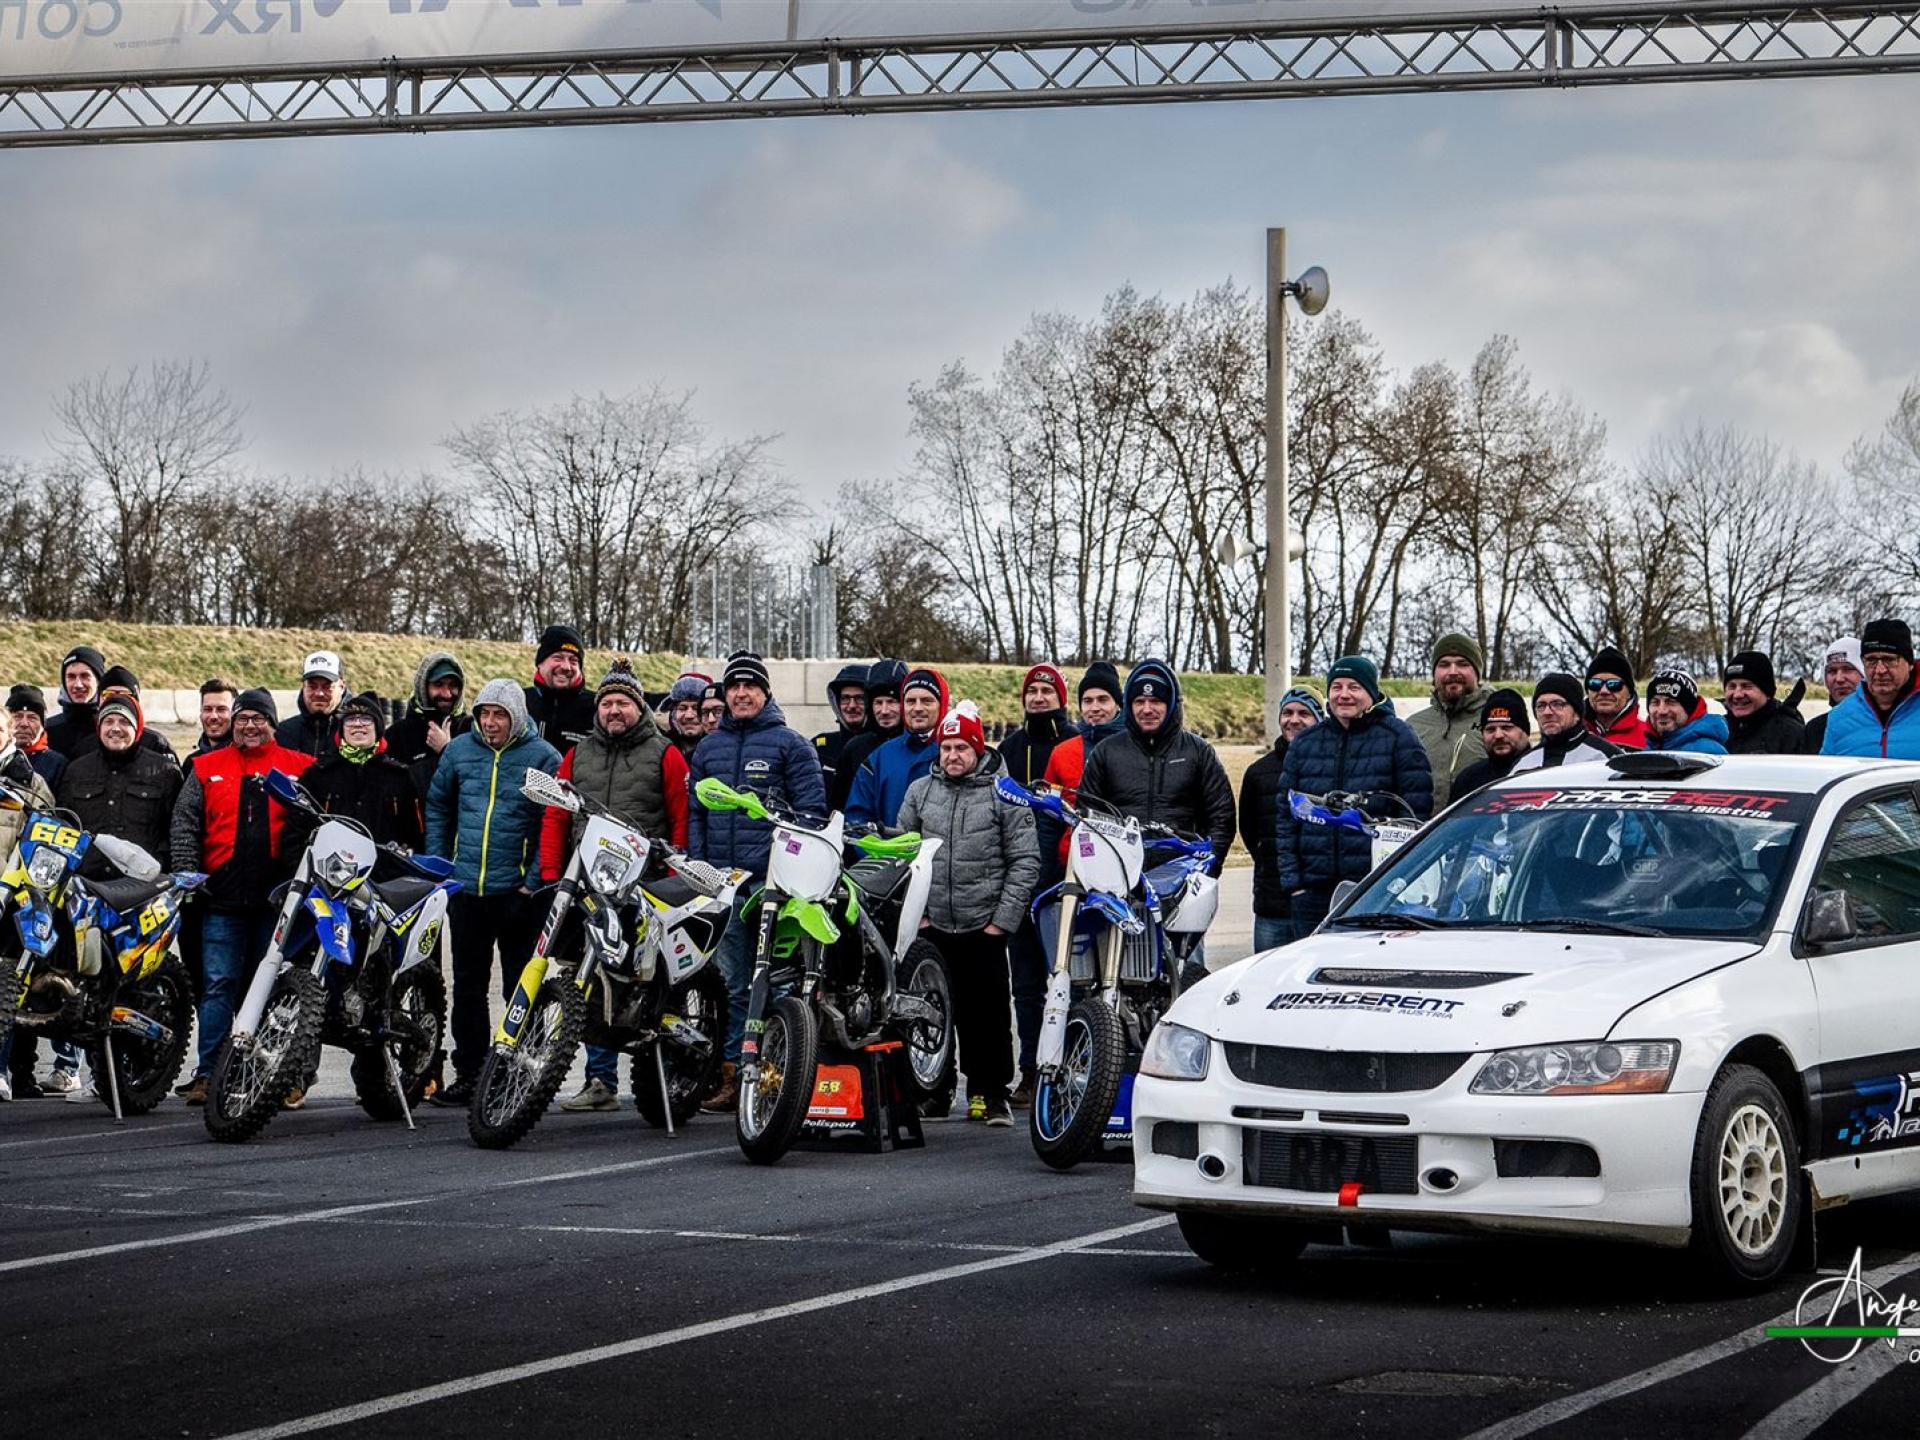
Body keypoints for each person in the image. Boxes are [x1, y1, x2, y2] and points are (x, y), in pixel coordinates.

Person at [540, 661, 691, 1114]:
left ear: (638, 707)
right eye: (607, 702)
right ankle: (600, 1080)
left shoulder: (665, 753)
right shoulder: (577, 754)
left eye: (623, 702)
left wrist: (675, 881)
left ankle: (666, 1078)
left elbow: (681, 817)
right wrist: (551, 876)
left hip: (646, 887)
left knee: (653, 983)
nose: (614, 710)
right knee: (589, 979)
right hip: (588, 883)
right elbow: (557, 815)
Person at [687, 651, 826, 1113]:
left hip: (774, 887)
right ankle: (734, 1075)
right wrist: (701, 870)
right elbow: (696, 816)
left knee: (777, 984)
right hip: (724, 884)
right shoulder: (708, 749)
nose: (741, 694)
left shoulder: (792, 745)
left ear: (766, 692)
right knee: (732, 984)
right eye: (734, 687)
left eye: (750, 686)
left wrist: (789, 873)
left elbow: (811, 816)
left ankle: (781, 1075)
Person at [896, 702, 1039, 1128]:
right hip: (933, 924)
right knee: (932, 1011)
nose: (953, 755)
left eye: (961, 747)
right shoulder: (920, 792)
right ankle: (935, 1091)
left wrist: (1001, 921)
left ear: (978, 749)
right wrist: (917, 915)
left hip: (984, 924)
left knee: (988, 1014)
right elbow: (902, 854)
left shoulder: (1005, 794)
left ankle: (990, 1094)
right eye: (946, 748)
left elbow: (1025, 861)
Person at [170, 689, 315, 1106]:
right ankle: (208, 1073)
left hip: (279, 904)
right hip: (222, 901)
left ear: (273, 723)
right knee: (218, 986)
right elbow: (184, 824)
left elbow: (318, 826)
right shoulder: (205, 767)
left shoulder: (301, 767)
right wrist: (188, 874)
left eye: (258, 718)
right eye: (242, 719)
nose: (250, 726)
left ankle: (281, 1075)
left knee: (276, 991)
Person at [425, 680, 561, 1108]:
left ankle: (521, 1074)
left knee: (520, 990)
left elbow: (553, 821)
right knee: (468, 988)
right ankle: (470, 1074)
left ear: (516, 717)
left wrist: (532, 880)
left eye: (499, 714)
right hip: (466, 892)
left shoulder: (544, 757)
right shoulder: (459, 751)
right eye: (484, 713)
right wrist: (440, 864)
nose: (490, 722)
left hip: (518, 895)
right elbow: (438, 805)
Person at [1276, 656, 1433, 938]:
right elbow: (1285, 816)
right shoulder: (1305, 743)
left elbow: (1416, 813)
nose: (1344, 694)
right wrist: (1294, 883)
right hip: (1312, 892)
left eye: (1354, 687)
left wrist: (1399, 881)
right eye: (1337, 687)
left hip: (1375, 889)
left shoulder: (1399, 737)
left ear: (1371, 692)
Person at [1079, 657, 1236, 878]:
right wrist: (1100, 872)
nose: (1147, 709)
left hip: (1184, 878)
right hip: (1121, 879)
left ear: (1171, 703)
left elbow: (1221, 817)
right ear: (1129, 705)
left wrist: (1207, 868)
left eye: (1156, 701)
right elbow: (1086, 817)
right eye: (1139, 701)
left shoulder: (1199, 752)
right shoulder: (1106, 752)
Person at [61, 689, 182, 877]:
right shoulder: (76, 771)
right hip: (88, 881)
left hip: (145, 882)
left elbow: (177, 831)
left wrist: (161, 866)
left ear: (137, 728)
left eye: (124, 722)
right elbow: (63, 824)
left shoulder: (165, 772)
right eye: (108, 721)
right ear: (99, 727)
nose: (115, 728)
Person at [1240, 688, 1324, 953]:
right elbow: (1249, 831)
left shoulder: (1329, 767)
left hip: (1318, 902)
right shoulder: (1257, 772)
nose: (1294, 720)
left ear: (1319, 719)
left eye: (1304, 713)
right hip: (1272, 903)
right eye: (1287, 712)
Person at [0, 731, 60, 1101]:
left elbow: (49, 835)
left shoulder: (29, 780)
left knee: (8, 984)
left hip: (12, 898)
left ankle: (3, 1070)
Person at [294, 693, 425, 852]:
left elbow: (416, 836)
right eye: (350, 719)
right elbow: (295, 830)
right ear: (341, 729)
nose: (358, 724)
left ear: (378, 727)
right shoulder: (317, 775)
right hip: (328, 865)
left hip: (384, 866)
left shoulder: (400, 777)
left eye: (366, 719)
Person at [846, 666, 949, 829]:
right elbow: (857, 819)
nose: (918, 708)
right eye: (910, 701)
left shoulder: (958, 753)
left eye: (927, 701)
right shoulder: (880, 757)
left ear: (941, 704)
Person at [1407, 633, 1492, 810]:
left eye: (1463, 664)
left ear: (1477, 673)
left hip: (1479, 824)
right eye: (1444, 664)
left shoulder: (1495, 722)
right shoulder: (1413, 726)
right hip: (1423, 826)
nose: (1453, 671)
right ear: (1434, 673)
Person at [1822, 619, 1920, 759]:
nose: (1880, 670)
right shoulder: (1839, 717)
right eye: (1871, 660)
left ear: (1909, 663)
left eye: (1889, 660)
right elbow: (1827, 769)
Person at [386, 650, 471, 799]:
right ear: (423, 687)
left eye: (453, 685)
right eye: (438, 685)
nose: (446, 694)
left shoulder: (471, 730)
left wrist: (446, 750)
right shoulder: (398, 734)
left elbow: (477, 786)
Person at [1039, 662, 1125, 808]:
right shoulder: (1062, 752)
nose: (1094, 708)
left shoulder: (1135, 747)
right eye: (1087, 701)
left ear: (1117, 705)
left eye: (1103, 700)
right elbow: (1048, 809)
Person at [827, 658, 906, 814]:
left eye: (891, 701)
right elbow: (839, 807)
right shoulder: (855, 748)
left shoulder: (923, 746)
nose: (884, 711)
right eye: (878, 702)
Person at [1511, 674, 1621, 771]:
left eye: (1557, 704)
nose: (1547, 712)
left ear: (1577, 714)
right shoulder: (1524, 764)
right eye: (1541, 706)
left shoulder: (1605, 757)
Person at [998, 663, 1075, 790]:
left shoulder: (1079, 742)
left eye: (1047, 691)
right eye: (1032, 691)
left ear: (1061, 698)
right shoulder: (1007, 748)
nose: (1038, 698)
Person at [524, 624, 595, 751]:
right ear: (540, 663)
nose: (566, 667)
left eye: (573, 661)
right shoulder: (519, 701)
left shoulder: (597, 706)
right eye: (558, 658)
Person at [1451, 689, 1533, 797]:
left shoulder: (1543, 773)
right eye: (1490, 729)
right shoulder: (1468, 779)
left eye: (1506, 728)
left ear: (1525, 731)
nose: (1498, 735)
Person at [1722, 650, 1805, 754]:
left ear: (1767, 693)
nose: (1737, 694)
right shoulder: (1718, 730)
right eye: (1732, 686)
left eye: (1747, 686)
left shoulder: (1791, 733)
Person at [811, 662, 870, 797]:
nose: (851, 706)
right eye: (845, 698)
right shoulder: (821, 747)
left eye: (860, 698)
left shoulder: (883, 748)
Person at [277, 651, 347, 759]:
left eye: (327, 687)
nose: (319, 693)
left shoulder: (356, 732)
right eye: (312, 686)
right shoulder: (283, 732)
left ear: (341, 687)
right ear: (303, 687)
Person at [1800, 636, 1862, 756]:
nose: (1839, 679)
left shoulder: (1882, 726)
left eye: (1847, 669)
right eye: (1832, 671)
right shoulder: (1815, 729)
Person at [1644, 668, 1730, 754]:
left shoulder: (1708, 752)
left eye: (1671, 702)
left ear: (1689, 709)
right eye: (1655, 702)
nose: (1662, 711)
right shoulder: (1648, 749)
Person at [43, 645, 106, 758]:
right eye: (71, 677)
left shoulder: (111, 728)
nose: (78, 685)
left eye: (85, 676)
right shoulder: (47, 730)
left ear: (99, 681)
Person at [1584, 645, 1650, 751]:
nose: (1604, 691)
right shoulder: (1570, 734)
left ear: (1629, 693)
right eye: (1595, 684)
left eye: (1614, 684)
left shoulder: (1650, 737)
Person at [7, 684, 67, 792]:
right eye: (17, 716)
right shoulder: (2, 757)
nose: (24, 724)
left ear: (42, 724)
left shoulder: (57, 764)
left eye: (32, 718)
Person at [185, 678, 237, 766]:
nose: (213, 716)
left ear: (235, 714)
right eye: (207, 709)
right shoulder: (191, 763)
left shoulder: (246, 758)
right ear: (201, 713)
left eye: (221, 709)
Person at [664, 671, 712, 765]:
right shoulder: (661, 748)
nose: (689, 715)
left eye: (696, 708)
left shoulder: (723, 749)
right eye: (682, 708)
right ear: (673, 714)